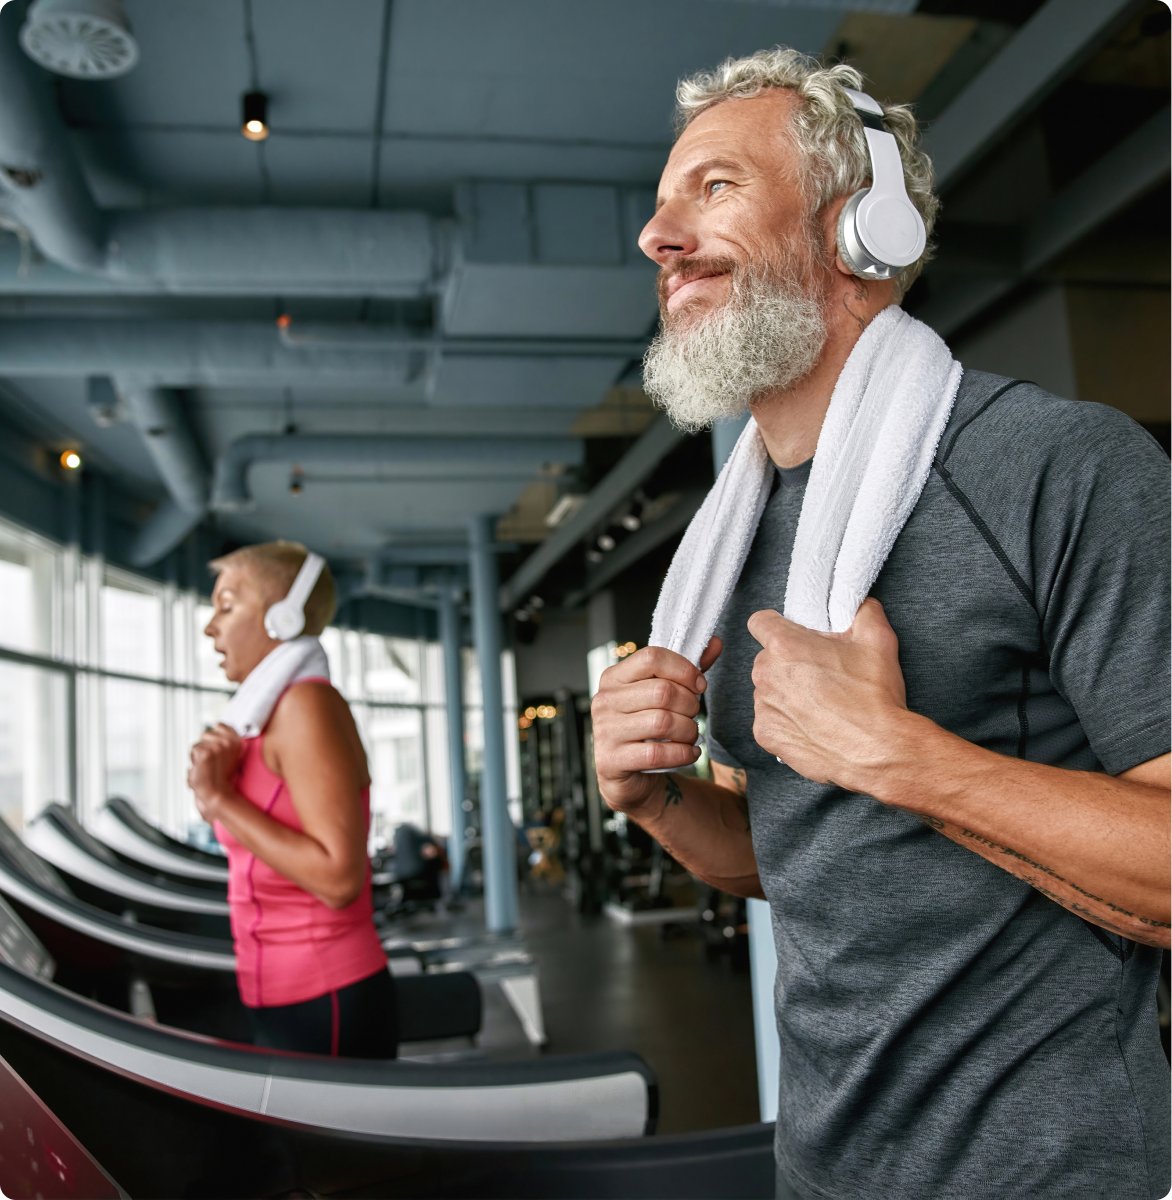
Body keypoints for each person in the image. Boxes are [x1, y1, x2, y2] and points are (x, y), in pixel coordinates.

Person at [590, 47, 1169, 1200]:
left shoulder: (1054, 466)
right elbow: (803, 856)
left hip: (1050, 1169)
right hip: (823, 1161)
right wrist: (655, 800)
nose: (657, 238)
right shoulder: (730, 538)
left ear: (866, 232)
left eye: (711, 189)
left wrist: (901, 757)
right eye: (658, 207)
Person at [187, 541, 397, 1058]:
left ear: (281, 619)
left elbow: (339, 878)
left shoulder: (307, 706)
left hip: (325, 992)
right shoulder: (263, 719)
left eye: (228, 604)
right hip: (279, 990)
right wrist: (217, 791)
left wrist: (219, 799)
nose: (210, 625)